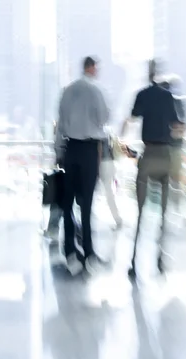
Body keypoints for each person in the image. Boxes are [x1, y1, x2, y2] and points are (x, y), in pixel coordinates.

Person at [121, 60, 183, 278]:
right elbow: (177, 126)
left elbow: (130, 120)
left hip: (147, 155)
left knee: (140, 213)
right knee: (164, 214)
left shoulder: (142, 95)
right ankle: (160, 260)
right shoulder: (168, 97)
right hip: (165, 155)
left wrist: (123, 144)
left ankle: (133, 262)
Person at [56, 56, 110, 276]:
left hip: (70, 150)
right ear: (92, 67)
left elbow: (60, 124)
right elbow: (104, 118)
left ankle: (70, 251)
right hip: (88, 150)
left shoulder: (67, 91)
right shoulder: (96, 91)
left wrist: (59, 152)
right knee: (86, 204)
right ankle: (89, 253)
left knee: (67, 204)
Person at [158, 74, 186, 227]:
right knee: (176, 183)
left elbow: (180, 125)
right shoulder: (178, 103)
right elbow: (183, 125)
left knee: (166, 183)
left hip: (165, 148)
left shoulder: (164, 103)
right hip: (174, 148)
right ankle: (181, 215)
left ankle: (168, 216)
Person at [99, 129, 123, 230]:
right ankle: (117, 219)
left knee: (108, 194)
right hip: (109, 163)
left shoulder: (98, 132)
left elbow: (99, 150)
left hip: (103, 164)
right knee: (109, 194)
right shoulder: (107, 131)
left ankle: (118, 219)